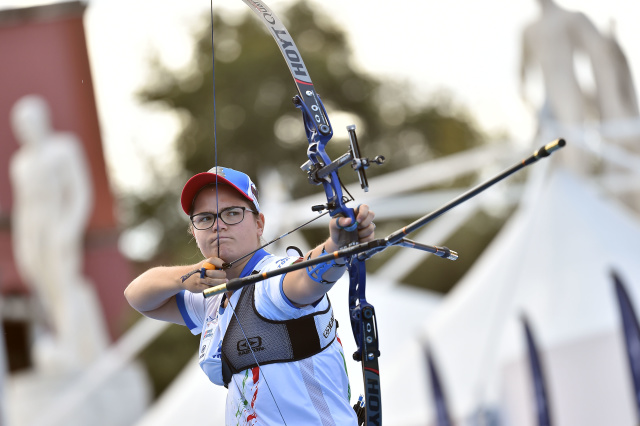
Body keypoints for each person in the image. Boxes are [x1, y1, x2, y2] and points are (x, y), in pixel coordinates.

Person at [124, 166, 376, 425]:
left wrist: (337, 246)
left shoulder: (271, 279)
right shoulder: (212, 296)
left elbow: (304, 278)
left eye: (232, 213)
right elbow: (137, 296)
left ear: (259, 224)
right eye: (204, 218)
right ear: (194, 231)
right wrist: (187, 276)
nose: (217, 226)